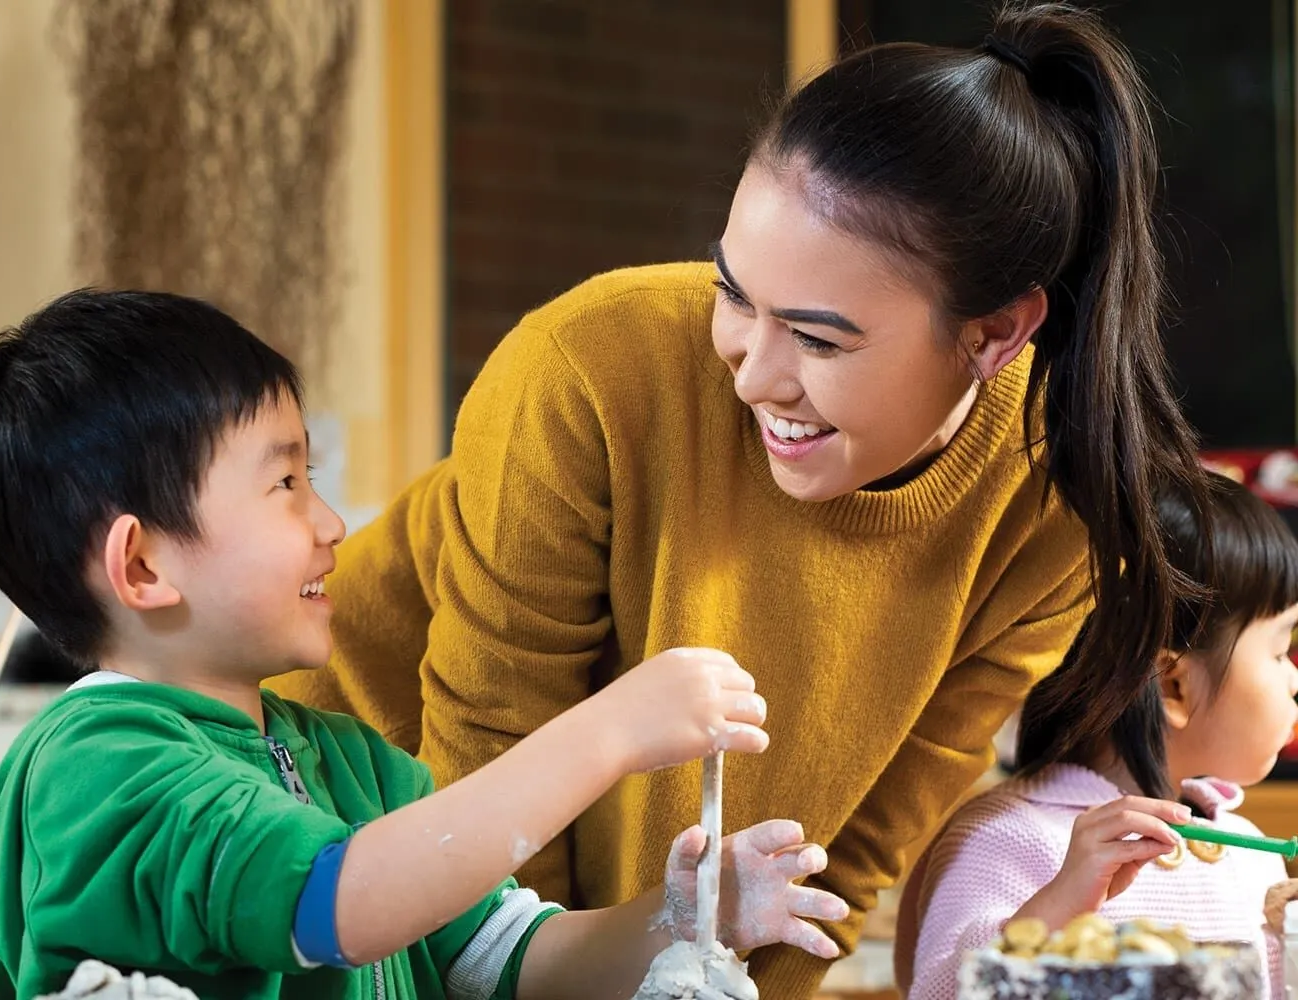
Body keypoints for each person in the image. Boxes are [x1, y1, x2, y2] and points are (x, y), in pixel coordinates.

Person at [266, 3, 1208, 994]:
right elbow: (487, 774)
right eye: (731, 293)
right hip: (318, 875)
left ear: (991, 334)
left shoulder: (1048, 510)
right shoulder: (587, 368)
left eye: (816, 338)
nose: (753, 373)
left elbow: (847, 863)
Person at [0, 289, 849, 1000]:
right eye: (284, 483)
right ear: (144, 566)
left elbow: (507, 959)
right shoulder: (102, 766)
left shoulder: (349, 764)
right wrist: (608, 732)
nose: (330, 524)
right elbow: (333, 905)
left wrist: (678, 922)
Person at [898, 472, 1298, 999]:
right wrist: (1057, 908)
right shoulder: (1010, 836)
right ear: (1174, 687)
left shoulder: (1250, 852)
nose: (1292, 675)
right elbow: (938, 991)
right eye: (1277, 650)